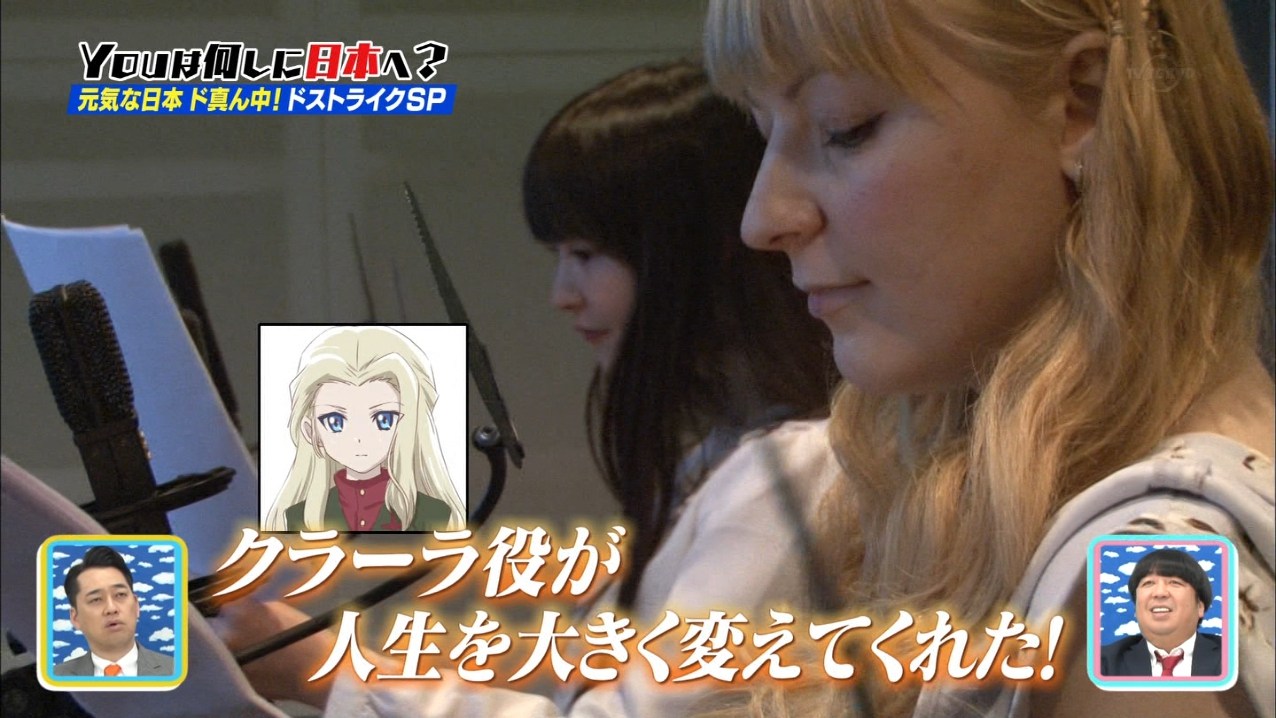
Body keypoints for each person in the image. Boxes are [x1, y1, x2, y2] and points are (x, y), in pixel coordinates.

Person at [702, 0, 1273, 716]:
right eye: (764, 133)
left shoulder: (1146, 582)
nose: (762, 219)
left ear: (1082, 104)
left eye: (844, 127)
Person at [223, 60, 838, 716]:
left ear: (698, 250)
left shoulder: (786, 473)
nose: (562, 295)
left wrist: (326, 672)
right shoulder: (722, 463)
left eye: (586, 255)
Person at [262, 325, 465, 533]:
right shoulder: (296, 518)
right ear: (310, 430)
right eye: (335, 422)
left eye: (383, 419)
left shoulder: (433, 515)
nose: (359, 437)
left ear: (405, 425)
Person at [53, 545, 175, 677]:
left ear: (136, 606)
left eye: (120, 595)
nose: (111, 609)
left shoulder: (175, 670)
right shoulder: (56, 677)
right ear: (75, 618)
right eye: (96, 599)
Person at [1101, 548, 1221, 677]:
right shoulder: (1104, 662)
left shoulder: (1232, 657)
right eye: (1148, 583)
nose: (1160, 593)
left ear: (1200, 607)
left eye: (1175, 582)